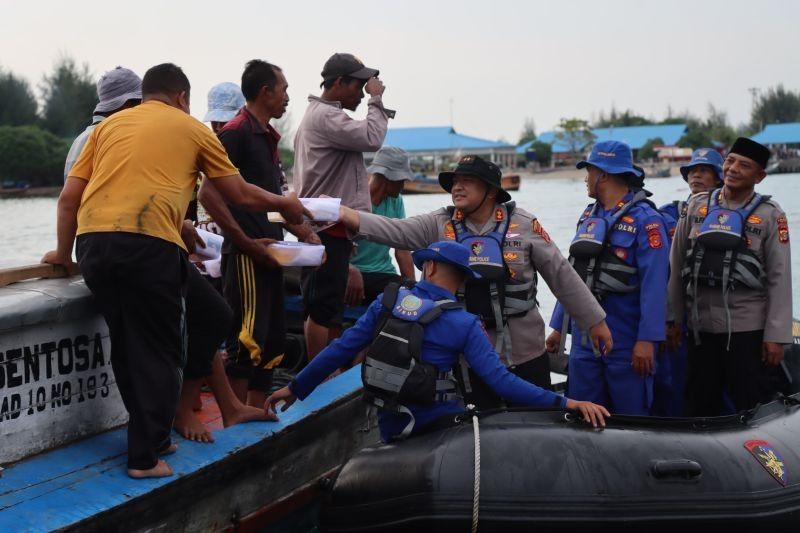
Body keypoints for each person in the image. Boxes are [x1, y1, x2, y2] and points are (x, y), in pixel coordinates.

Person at [42, 63, 307, 479]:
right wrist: (286, 204)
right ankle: (145, 457)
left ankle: (161, 430)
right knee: (159, 348)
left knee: (205, 317)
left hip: (95, 244)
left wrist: (63, 252)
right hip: (146, 245)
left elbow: (69, 198)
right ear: (182, 97)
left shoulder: (108, 128)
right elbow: (235, 192)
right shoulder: (193, 130)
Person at [265, 241, 610, 442]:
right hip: (440, 426)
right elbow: (502, 382)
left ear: (428, 268)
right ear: (462, 281)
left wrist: (295, 388)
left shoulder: (386, 303)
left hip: (391, 424)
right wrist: (566, 403)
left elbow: (339, 349)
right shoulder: (463, 323)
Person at [337, 154, 612, 405]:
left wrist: (594, 322)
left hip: (525, 353)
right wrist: (341, 213)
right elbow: (392, 230)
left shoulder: (525, 225)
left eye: (467, 182)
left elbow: (561, 274)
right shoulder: (438, 224)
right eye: (455, 182)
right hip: (467, 357)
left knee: (537, 426)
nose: (457, 187)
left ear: (491, 191)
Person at [214, 59, 319, 407]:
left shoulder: (267, 137)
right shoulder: (236, 132)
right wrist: (243, 241)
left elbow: (269, 200)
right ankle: (237, 419)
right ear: (265, 92)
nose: (288, 97)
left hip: (270, 251)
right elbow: (209, 194)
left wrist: (303, 232)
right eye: (284, 89)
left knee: (272, 341)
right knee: (248, 341)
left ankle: (257, 413)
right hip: (247, 253)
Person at [668, 137, 793, 416]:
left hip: (746, 331)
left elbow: (780, 277)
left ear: (759, 176)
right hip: (700, 329)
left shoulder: (770, 215)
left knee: (750, 403)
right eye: (730, 161)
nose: (734, 169)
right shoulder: (697, 207)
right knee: (699, 403)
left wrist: (776, 336)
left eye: (744, 165)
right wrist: (673, 320)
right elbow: (676, 268)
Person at [547, 141, 669, 416]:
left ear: (603, 174)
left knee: (631, 414)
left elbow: (655, 286)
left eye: (588, 172)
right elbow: (573, 276)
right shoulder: (588, 218)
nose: (585, 179)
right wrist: (558, 327)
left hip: (626, 337)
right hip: (583, 338)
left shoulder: (647, 221)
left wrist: (647, 340)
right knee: (582, 413)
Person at [293, 53, 394, 360]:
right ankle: (315, 377)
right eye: (358, 85)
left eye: (366, 87)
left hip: (333, 226)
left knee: (332, 307)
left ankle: (328, 372)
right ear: (338, 83)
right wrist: (376, 100)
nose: (362, 92)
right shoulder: (325, 116)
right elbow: (373, 136)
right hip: (323, 227)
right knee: (322, 308)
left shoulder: (323, 116)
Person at [653, 149, 724, 416]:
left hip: (716, 312)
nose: (696, 175)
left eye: (704, 170)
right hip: (679, 313)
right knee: (676, 379)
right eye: (692, 170)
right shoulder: (669, 212)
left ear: (718, 178)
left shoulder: (731, 214)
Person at [345, 145, 416, 307]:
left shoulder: (396, 201)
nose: (403, 186)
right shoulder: (352, 197)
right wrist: (348, 271)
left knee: (413, 293)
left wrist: (413, 290)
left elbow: (402, 250)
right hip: (354, 273)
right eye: (402, 180)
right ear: (389, 178)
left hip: (384, 274)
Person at [63, 66, 142, 181]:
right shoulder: (108, 138)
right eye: (139, 103)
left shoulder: (82, 138)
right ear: (126, 104)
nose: (142, 109)